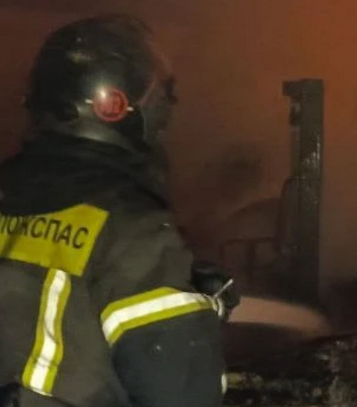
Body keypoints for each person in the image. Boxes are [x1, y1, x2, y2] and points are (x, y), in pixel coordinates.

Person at [0, 14, 235, 407]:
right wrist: (198, 311)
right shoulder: (132, 229)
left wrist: (189, 295)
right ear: (115, 106)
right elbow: (182, 391)